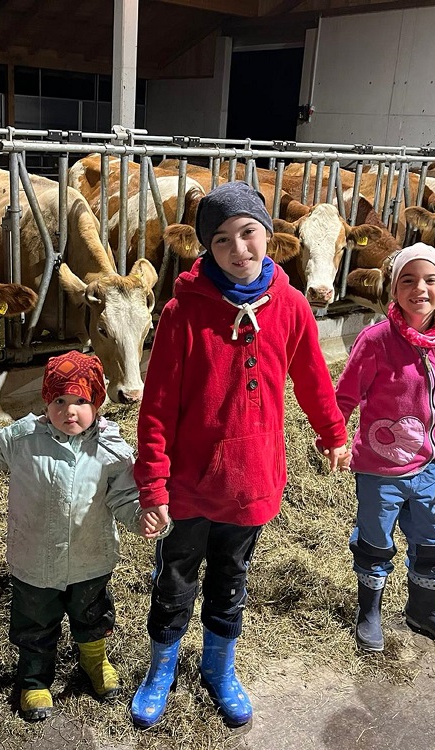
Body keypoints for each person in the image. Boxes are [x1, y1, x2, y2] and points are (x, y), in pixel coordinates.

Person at [130, 180, 349, 729]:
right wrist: (153, 484)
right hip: (188, 485)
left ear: (269, 235)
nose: (238, 248)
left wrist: (333, 433)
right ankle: (161, 669)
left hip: (252, 481)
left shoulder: (292, 306)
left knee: (231, 578)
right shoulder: (182, 312)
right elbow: (156, 407)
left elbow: (312, 377)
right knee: (175, 579)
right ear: (207, 248)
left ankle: (219, 667)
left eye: (248, 232)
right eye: (222, 239)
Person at [0, 350, 169, 722]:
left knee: (92, 615)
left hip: (90, 559)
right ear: (46, 401)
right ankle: (34, 680)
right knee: (34, 623)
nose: (69, 411)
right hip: (34, 562)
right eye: (59, 400)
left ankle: (94, 661)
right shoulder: (24, 438)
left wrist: (143, 517)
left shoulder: (111, 450)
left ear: (97, 402)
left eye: (81, 401)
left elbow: (126, 496)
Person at [333, 243, 435, 654]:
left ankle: (424, 612)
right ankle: (369, 614)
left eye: (430, 280)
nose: (419, 289)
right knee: (375, 542)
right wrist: (335, 439)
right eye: (408, 280)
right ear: (393, 289)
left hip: (427, 468)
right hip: (379, 470)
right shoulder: (376, 340)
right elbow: (345, 396)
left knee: (434, 541)